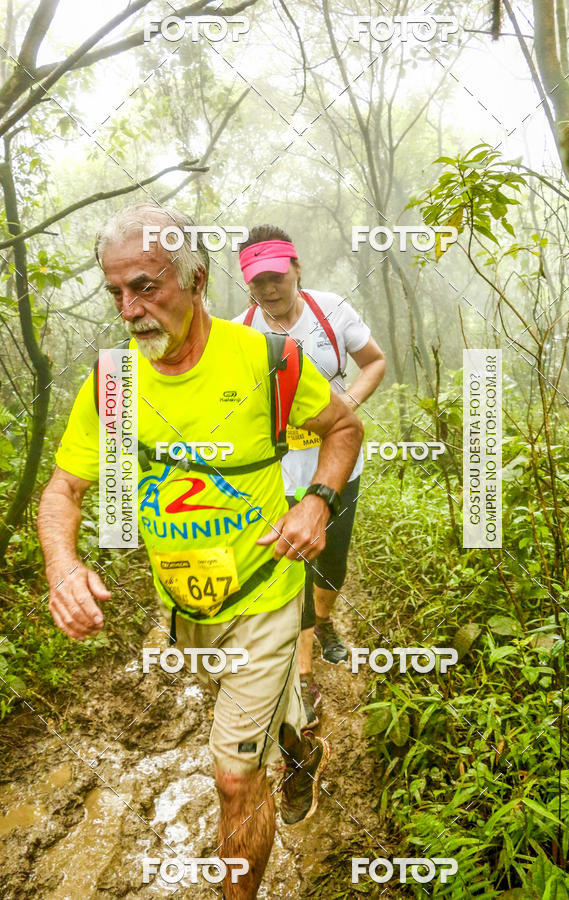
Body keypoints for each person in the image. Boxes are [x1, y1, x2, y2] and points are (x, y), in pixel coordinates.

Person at [37, 203, 363, 900]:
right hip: (186, 607)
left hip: (267, 598)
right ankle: (302, 744)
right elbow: (65, 488)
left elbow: (343, 428)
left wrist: (317, 502)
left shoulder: (267, 360)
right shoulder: (114, 384)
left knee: (234, 776)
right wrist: (63, 566)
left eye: (147, 286)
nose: (130, 309)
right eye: (116, 293)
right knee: (265, 727)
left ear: (198, 279)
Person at [233, 226, 386, 728]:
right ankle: (301, 676)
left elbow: (375, 361)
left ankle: (322, 622)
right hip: (277, 473)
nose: (269, 288)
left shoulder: (332, 312)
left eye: (277, 276)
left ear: (297, 269)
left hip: (339, 465)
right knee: (291, 566)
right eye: (258, 281)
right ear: (247, 284)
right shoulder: (241, 334)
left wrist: (345, 409)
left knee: (331, 564)